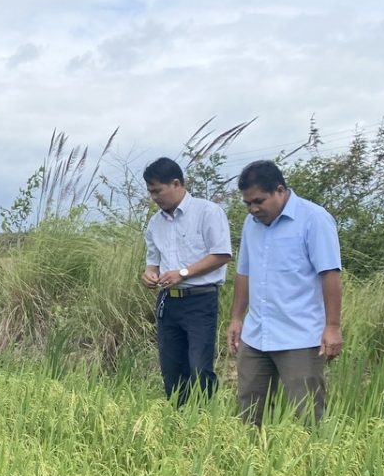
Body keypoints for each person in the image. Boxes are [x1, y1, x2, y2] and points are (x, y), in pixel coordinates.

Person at [226, 160, 343, 425]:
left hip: (299, 336)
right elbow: (244, 272)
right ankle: (252, 463)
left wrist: (332, 326)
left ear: (280, 190)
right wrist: (236, 318)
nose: (253, 209)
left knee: (307, 416)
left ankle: (312, 465)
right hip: (257, 334)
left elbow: (330, 274)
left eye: (259, 201)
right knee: (249, 412)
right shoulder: (251, 223)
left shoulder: (314, 219)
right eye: (247, 203)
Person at [141, 157, 232, 406]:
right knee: (171, 370)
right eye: (150, 192)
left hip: (200, 301)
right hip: (168, 304)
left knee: (200, 368)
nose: (154, 197)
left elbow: (222, 254)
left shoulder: (208, 212)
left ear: (176, 184)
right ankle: (177, 422)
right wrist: (149, 274)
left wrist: (183, 273)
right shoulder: (155, 223)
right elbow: (153, 261)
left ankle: (203, 420)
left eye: (158, 191)